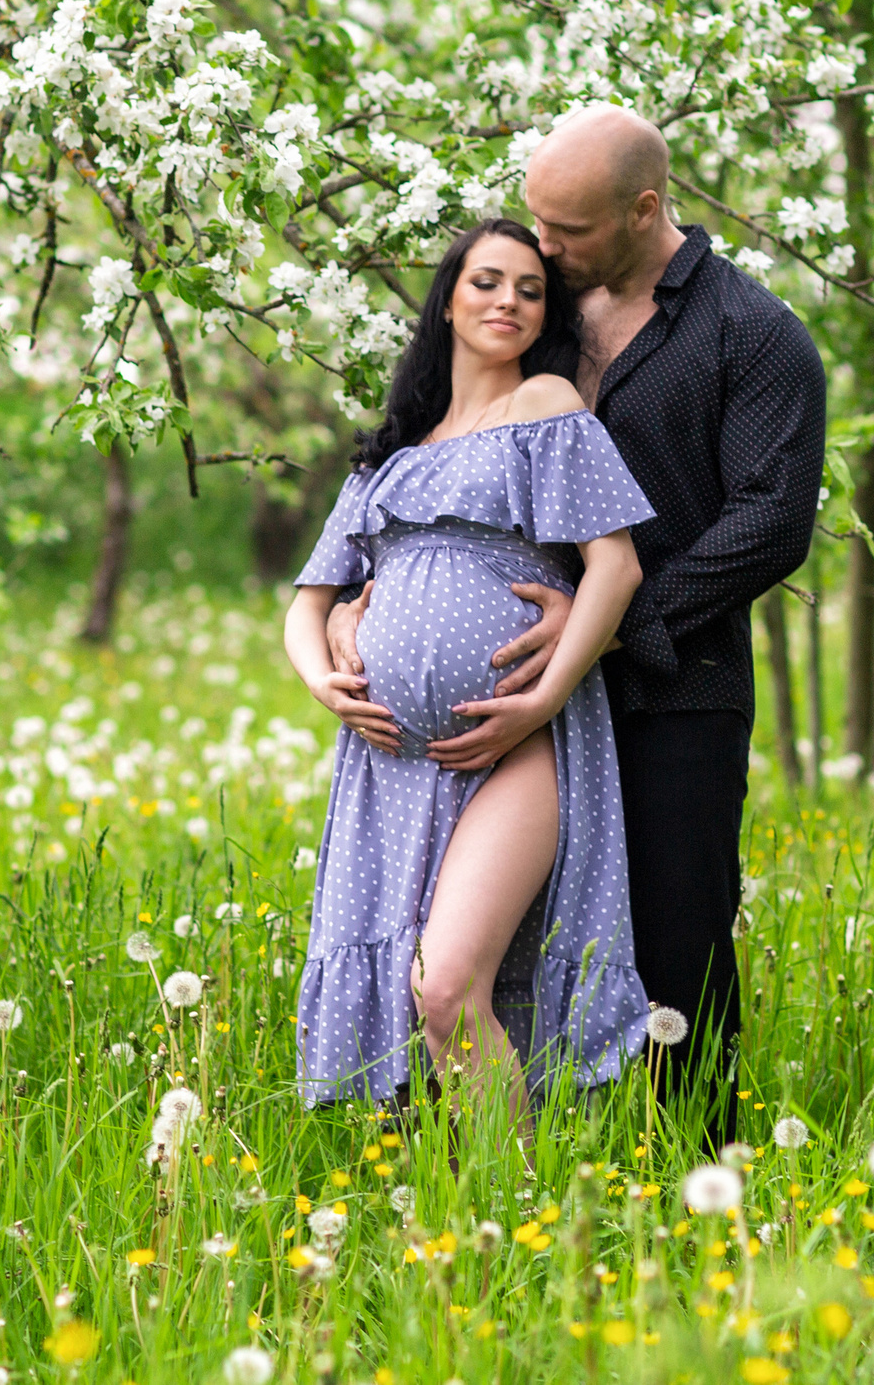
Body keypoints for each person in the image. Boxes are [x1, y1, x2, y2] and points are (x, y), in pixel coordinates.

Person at [330, 103, 825, 1145]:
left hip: (669, 687)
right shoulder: (545, 315)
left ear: (645, 211)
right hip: (508, 705)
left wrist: (608, 624)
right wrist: (377, 594)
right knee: (479, 946)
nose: (544, 251)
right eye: (535, 226)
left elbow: (771, 526)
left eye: (570, 232)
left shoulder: (755, 335)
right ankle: (523, 1167)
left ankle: (693, 1176)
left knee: (672, 937)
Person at [283, 217, 656, 1122]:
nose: (510, 302)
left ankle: (513, 1212)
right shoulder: (390, 456)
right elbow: (308, 600)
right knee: (421, 1005)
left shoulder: (544, 406)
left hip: (517, 742)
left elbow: (617, 566)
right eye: (488, 282)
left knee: (448, 986)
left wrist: (542, 698)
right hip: (391, 763)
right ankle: (458, 1215)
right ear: (448, 298)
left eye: (531, 290)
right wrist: (324, 676)